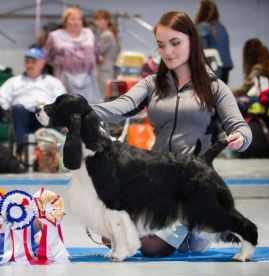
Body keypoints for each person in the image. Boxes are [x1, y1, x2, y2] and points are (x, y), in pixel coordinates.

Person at [91, 11, 252, 257]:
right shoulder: (151, 84)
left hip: (192, 184)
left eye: (175, 43)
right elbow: (119, 107)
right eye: (161, 45)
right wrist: (79, 108)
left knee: (150, 247)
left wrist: (241, 138)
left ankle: (195, 231)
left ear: (192, 41)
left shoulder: (215, 87)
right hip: (154, 181)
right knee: (110, 232)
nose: (168, 52)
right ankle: (182, 233)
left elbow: (241, 128)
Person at [0, 47, 66, 154]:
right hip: (22, 117)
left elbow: (62, 100)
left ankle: (51, 152)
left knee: (45, 109)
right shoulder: (14, 81)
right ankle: (23, 150)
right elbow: (2, 97)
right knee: (18, 108)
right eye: (27, 61)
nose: (30, 65)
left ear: (42, 63)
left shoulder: (53, 82)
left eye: (33, 61)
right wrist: (5, 110)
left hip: (46, 117)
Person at [43, 6, 102, 103]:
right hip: (64, 78)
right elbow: (45, 55)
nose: (76, 22)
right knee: (67, 107)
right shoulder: (55, 35)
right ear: (65, 21)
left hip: (88, 78)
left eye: (79, 19)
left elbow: (97, 51)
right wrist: (57, 64)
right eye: (72, 19)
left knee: (89, 106)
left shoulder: (89, 33)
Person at [195, 0, 233, 84]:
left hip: (213, 67)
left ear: (202, 10)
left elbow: (203, 51)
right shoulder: (221, 27)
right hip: (225, 67)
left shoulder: (202, 26)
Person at [93, 10, 120, 98]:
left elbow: (96, 52)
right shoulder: (107, 34)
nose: (97, 22)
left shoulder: (106, 35)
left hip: (104, 71)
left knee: (103, 98)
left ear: (107, 21)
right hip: (107, 70)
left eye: (100, 20)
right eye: (96, 20)